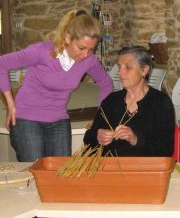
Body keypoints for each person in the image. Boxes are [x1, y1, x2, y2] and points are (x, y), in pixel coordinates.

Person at [0, 10, 113, 162]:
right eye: (81, 48)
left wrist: (100, 118)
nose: (86, 54)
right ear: (67, 38)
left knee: (61, 171)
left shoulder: (89, 60)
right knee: (36, 170)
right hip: (27, 118)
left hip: (59, 119)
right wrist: (11, 105)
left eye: (91, 49)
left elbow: (106, 83)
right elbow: (2, 64)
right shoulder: (42, 52)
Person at [83, 46, 175, 157]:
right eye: (119, 67)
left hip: (141, 169)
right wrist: (97, 136)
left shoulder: (160, 102)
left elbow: (166, 149)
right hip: (108, 167)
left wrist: (136, 139)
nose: (120, 73)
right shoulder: (111, 100)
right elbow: (88, 138)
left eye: (127, 67)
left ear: (144, 70)